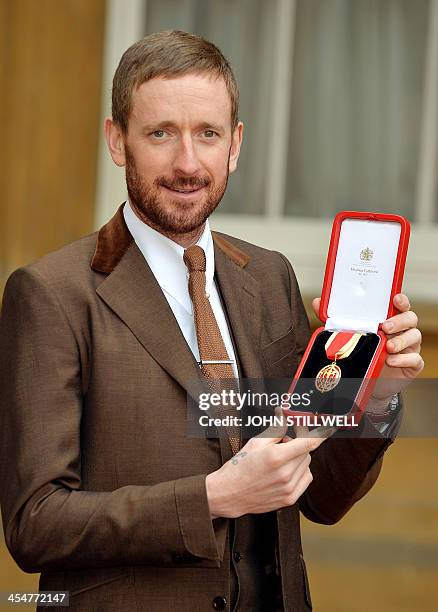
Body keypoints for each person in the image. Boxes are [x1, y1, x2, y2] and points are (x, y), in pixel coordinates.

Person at [0, 30, 423, 612]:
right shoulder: (50, 294)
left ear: (236, 144)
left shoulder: (271, 279)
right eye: (159, 134)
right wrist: (211, 499)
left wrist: (374, 398)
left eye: (207, 133)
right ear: (116, 140)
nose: (188, 163)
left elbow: (323, 494)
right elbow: (35, 522)